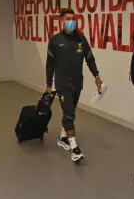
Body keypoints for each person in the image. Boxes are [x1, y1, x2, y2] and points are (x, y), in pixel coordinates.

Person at [45, 8, 103, 163]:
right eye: (68, 18)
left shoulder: (81, 39)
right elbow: (50, 65)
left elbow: (90, 59)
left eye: (73, 18)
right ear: (61, 21)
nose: (71, 21)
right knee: (69, 114)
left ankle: (63, 138)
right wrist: (48, 85)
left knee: (69, 112)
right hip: (62, 84)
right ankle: (74, 147)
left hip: (78, 83)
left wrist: (96, 76)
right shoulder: (55, 41)